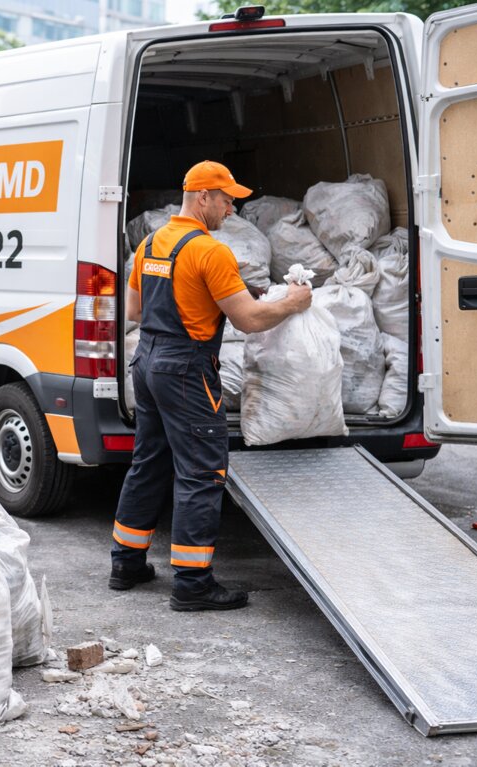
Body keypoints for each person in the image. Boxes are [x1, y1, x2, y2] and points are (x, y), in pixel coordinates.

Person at [108, 161, 311, 611]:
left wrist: (211, 297)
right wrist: (294, 302)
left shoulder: (150, 243)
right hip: (186, 371)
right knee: (201, 473)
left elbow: (136, 311)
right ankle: (192, 583)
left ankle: (126, 563)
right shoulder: (211, 252)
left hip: (148, 362)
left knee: (148, 463)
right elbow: (250, 320)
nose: (231, 208)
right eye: (226, 199)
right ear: (203, 197)